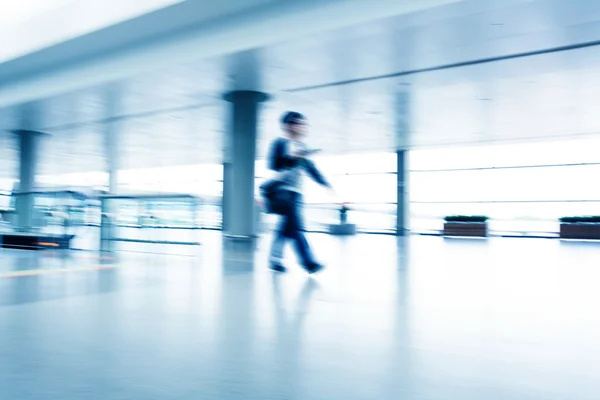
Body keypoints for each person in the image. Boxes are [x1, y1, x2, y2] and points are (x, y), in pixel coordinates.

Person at [267, 111, 335, 274]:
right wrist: (292, 158)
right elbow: (273, 165)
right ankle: (308, 263)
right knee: (296, 227)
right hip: (284, 190)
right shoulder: (280, 143)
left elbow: (310, 168)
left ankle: (274, 260)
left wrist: (324, 183)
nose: (302, 127)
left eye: (303, 124)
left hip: (296, 192)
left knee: (285, 228)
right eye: (299, 123)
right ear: (288, 125)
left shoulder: (301, 147)